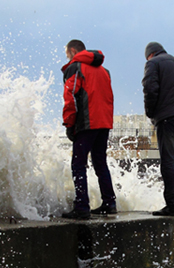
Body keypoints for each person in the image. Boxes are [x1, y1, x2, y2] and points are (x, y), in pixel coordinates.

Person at [60, 39, 116, 220]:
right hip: (104, 122)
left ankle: (82, 206)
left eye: (67, 52)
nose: (67, 56)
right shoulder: (104, 71)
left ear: (73, 50)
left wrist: (69, 124)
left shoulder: (75, 68)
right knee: (100, 162)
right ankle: (109, 202)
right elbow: (108, 97)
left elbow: (70, 98)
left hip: (86, 123)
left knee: (78, 163)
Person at [141, 42, 174, 216]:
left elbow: (150, 89)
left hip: (167, 118)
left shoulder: (153, 63)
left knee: (168, 160)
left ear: (150, 54)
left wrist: (151, 112)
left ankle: (173, 204)